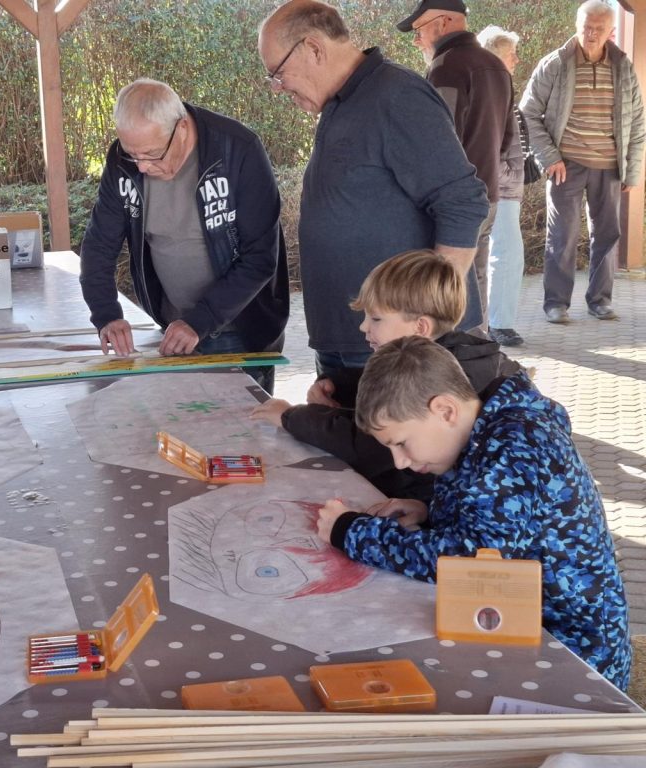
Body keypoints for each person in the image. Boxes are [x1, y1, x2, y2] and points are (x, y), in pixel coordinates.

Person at [315, 336, 630, 689]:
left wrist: (351, 532)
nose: (400, 461)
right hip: (532, 624)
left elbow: (469, 564)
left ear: (445, 410)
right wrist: (429, 513)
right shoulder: (486, 431)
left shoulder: (515, 444)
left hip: (574, 655)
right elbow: (494, 519)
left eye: (401, 443)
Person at [257, 0, 487, 379]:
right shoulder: (343, 101)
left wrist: (426, 321)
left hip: (396, 349)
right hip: (350, 342)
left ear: (313, 48)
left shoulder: (397, 96)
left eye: (278, 74)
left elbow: (461, 203)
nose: (278, 88)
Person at [250, 249, 520, 501]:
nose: (364, 327)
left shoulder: (448, 378)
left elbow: (365, 446)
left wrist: (290, 417)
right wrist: (339, 388)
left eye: (376, 319)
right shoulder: (458, 355)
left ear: (420, 327)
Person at [79, 78, 289, 393]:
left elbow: (260, 258)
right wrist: (106, 314)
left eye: (152, 155)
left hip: (239, 327)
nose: (143, 167)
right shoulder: (125, 161)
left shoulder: (238, 150)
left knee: (240, 437)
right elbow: (99, 245)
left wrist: (201, 320)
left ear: (181, 129)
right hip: (172, 327)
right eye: (133, 155)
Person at [520, 0, 646, 324]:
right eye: (585, 27)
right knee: (562, 234)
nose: (590, 34)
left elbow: (638, 121)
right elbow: (528, 113)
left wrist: (632, 169)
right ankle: (556, 303)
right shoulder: (555, 64)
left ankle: (600, 300)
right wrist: (549, 157)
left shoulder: (623, 67)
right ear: (577, 25)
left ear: (611, 31)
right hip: (567, 164)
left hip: (609, 166)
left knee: (607, 235)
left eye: (598, 29)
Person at [396, 0, 514, 333]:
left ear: (445, 21)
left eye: (419, 31)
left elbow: (436, 145)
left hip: (451, 202)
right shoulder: (496, 65)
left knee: (445, 286)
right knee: (475, 280)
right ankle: (479, 354)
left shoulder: (446, 66)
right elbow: (506, 139)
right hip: (488, 192)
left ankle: (455, 364)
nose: (417, 41)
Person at [477, 25, 528, 348]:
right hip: (499, 186)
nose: (517, 61)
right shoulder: (491, 86)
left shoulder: (498, 85)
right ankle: (498, 325)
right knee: (504, 255)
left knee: (501, 254)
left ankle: (494, 323)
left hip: (503, 184)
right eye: (511, 55)